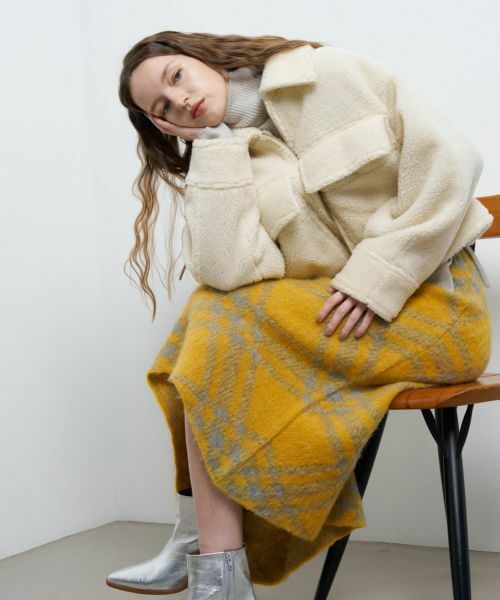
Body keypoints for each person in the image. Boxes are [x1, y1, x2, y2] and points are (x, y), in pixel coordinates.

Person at [106, 31, 493, 599]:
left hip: (440, 309)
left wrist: (377, 276)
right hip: (350, 324)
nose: (180, 99)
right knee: (210, 312)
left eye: (176, 76)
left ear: (202, 56)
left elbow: (452, 162)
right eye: (162, 107)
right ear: (162, 125)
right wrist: (213, 151)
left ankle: (205, 550)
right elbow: (229, 272)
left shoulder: (326, 74)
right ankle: (216, 564)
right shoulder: (229, 156)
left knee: (210, 323)